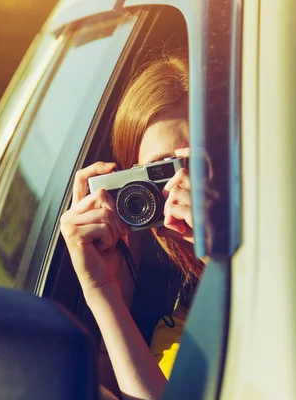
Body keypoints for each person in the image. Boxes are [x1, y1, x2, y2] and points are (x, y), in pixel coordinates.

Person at [60, 54, 204, 399]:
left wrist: (230, 258)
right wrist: (101, 289)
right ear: (132, 188)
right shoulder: (182, 314)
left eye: (198, 163)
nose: (183, 184)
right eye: (162, 171)